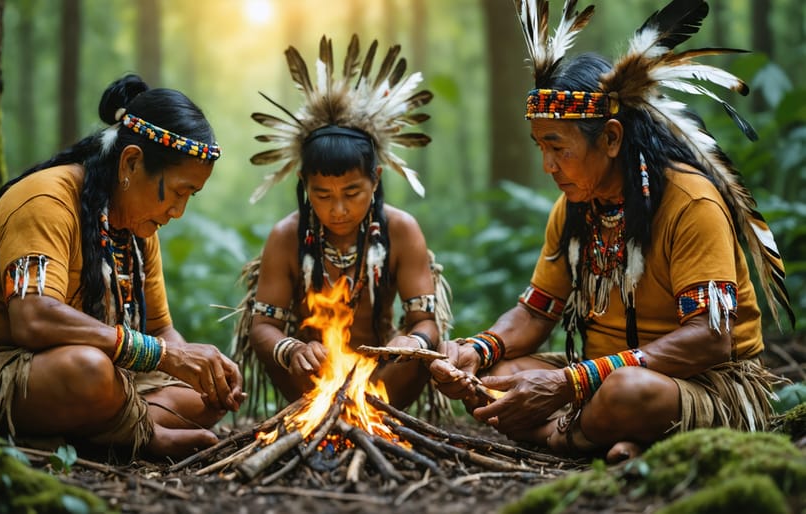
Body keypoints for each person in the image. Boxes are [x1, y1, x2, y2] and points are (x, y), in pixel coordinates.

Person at [430, 0, 795, 463]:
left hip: (699, 386)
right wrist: (474, 351)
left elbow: (710, 337)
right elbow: (535, 314)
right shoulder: (574, 208)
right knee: (497, 376)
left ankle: (564, 438)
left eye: (558, 147)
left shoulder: (690, 203)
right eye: (540, 146)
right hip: (596, 380)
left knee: (626, 392)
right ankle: (608, 437)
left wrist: (570, 383)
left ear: (611, 138)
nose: (547, 166)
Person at [0, 74, 246, 459]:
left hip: (105, 374)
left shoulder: (140, 228)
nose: (178, 211)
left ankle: (90, 434)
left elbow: (160, 330)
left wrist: (198, 364)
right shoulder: (46, 200)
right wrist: (163, 355)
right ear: (132, 162)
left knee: (205, 399)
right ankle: (140, 436)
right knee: (88, 372)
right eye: (178, 192)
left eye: (191, 195)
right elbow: (32, 319)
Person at [234, 35, 451, 411]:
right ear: (304, 184)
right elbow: (261, 328)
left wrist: (412, 343)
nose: (337, 209)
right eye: (322, 194)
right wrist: (293, 349)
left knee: (423, 357)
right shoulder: (286, 237)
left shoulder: (401, 231)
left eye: (351, 193)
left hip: (384, 381)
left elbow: (426, 322)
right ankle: (322, 414)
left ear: (377, 179)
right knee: (286, 356)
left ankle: (371, 417)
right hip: (311, 381)